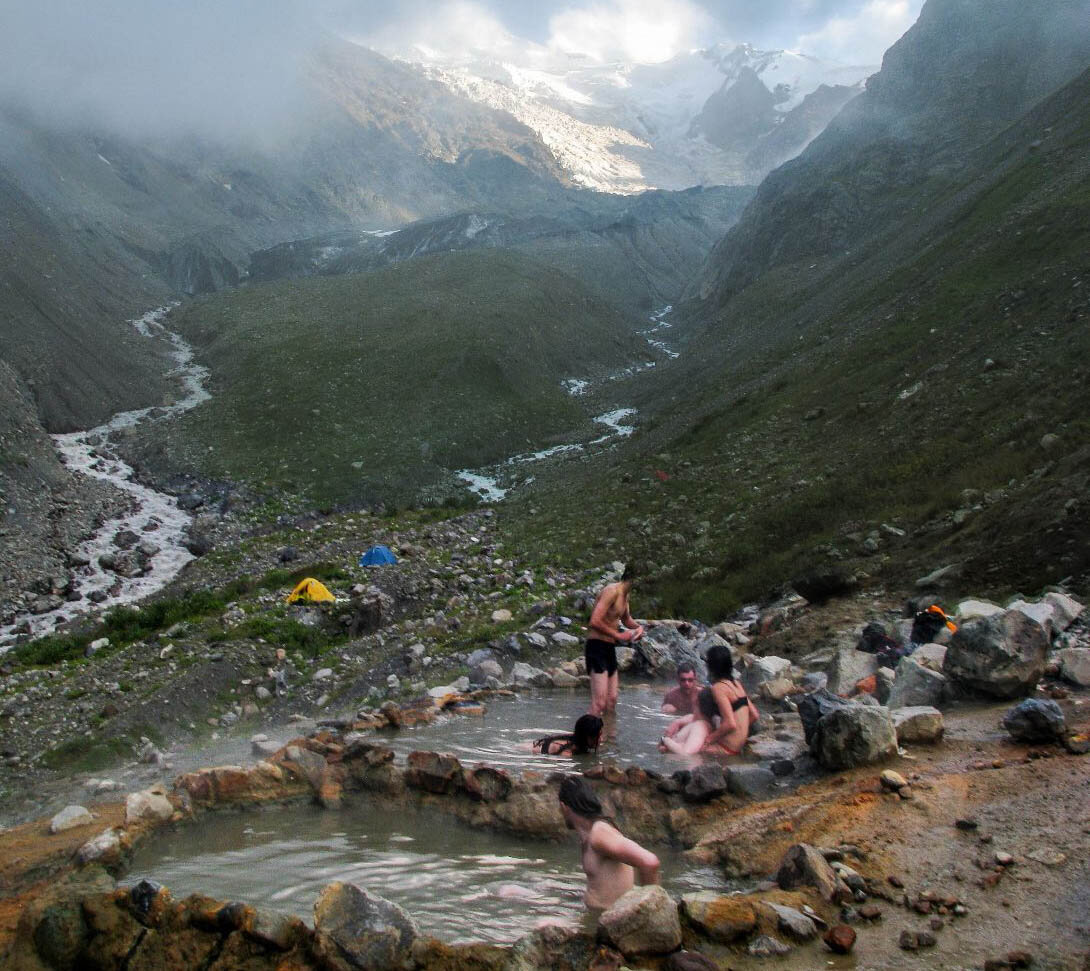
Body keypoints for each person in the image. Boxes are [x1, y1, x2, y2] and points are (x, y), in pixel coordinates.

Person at [557, 775, 660, 910]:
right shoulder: (592, 833)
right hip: (597, 918)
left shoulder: (600, 834)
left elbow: (650, 862)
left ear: (564, 807)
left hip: (608, 924)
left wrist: (651, 912)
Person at [585, 562, 645, 716]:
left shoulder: (625, 596)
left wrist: (638, 627)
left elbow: (626, 619)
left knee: (611, 701)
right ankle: (584, 737)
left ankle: (608, 738)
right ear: (634, 578)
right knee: (599, 703)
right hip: (596, 646)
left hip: (609, 648)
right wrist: (619, 635)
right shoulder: (612, 591)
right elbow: (594, 620)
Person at [701, 645, 759, 756]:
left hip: (726, 748)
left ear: (711, 666)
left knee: (691, 751)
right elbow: (754, 715)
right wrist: (740, 735)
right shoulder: (736, 684)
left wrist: (709, 739)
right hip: (737, 746)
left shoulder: (718, 688)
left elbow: (730, 724)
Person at [658, 687, 719, 755]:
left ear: (697, 702)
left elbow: (686, 753)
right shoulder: (697, 721)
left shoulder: (700, 727)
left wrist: (665, 740)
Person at [532, 714, 604, 755]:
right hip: (530, 750)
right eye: (598, 736)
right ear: (587, 737)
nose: (602, 739)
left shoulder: (576, 738)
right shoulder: (567, 753)